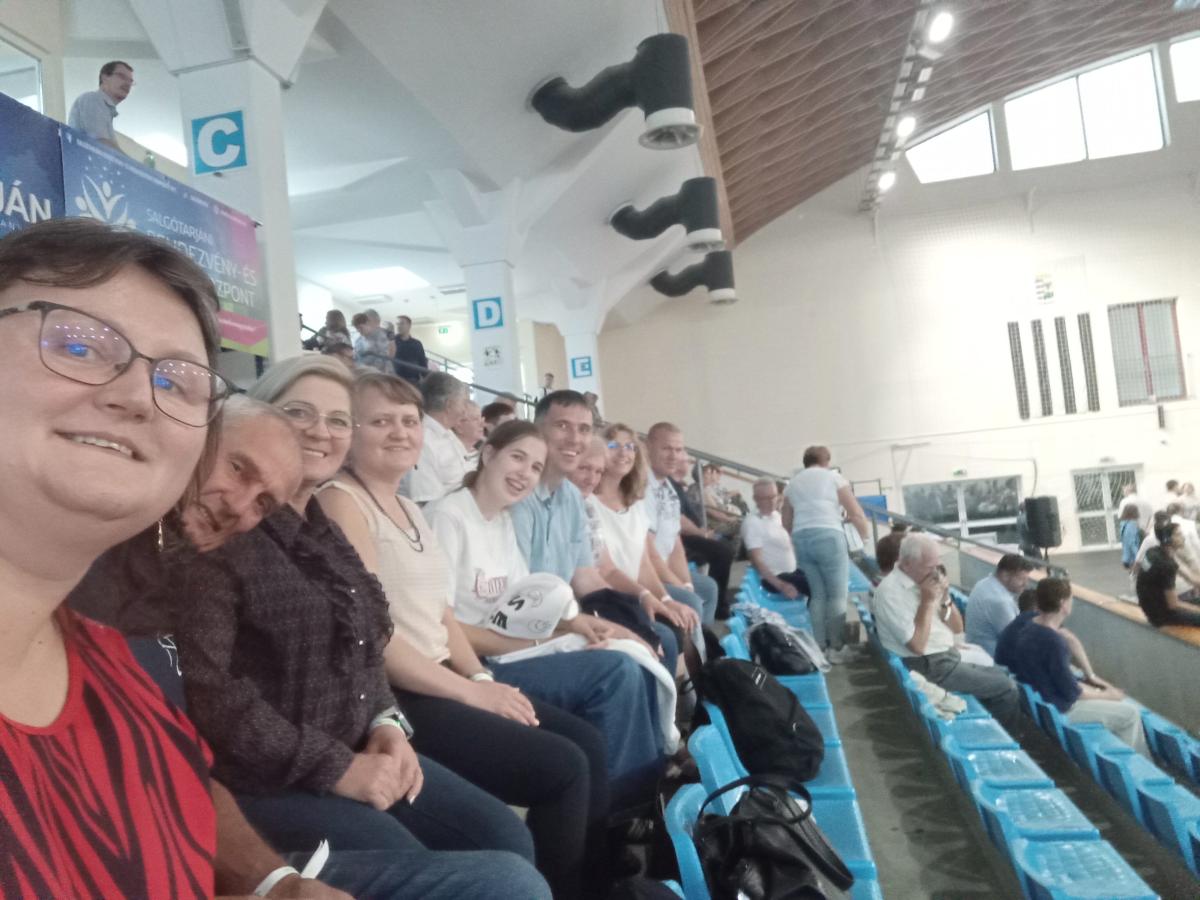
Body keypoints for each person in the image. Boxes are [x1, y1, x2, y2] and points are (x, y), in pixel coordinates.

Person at [0, 219, 546, 900]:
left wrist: (277, 878)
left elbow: (361, 634)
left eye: (175, 382)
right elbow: (220, 702)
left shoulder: (117, 655)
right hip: (285, 773)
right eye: (78, 345)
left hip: (344, 749)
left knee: (512, 852)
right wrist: (332, 774)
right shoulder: (177, 570)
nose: (135, 396)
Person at [66, 393, 552, 899]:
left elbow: (366, 636)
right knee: (499, 870)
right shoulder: (173, 558)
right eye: (238, 467)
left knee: (508, 842)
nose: (239, 504)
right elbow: (207, 709)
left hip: (342, 744)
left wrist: (386, 721)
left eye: (263, 501)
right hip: (267, 775)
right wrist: (278, 875)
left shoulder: (305, 530)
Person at [317, 373, 609, 898]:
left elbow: (442, 615)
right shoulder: (342, 501)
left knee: (585, 742)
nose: (400, 432)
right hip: (400, 693)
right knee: (562, 769)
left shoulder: (410, 509)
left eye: (410, 421)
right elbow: (373, 637)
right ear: (350, 431)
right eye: (381, 421)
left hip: (443, 675)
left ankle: (596, 876)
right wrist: (470, 692)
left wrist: (479, 678)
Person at [430, 417, 666, 813]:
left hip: (512, 650)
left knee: (628, 652)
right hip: (476, 665)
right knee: (614, 672)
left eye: (535, 466)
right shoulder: (449, 516)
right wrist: (547, 638)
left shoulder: (502, 520)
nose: (525, 473)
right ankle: (626, 809)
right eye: (517, 458)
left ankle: (640, 796)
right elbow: (444, 625)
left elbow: (525, 602)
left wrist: (576, 624)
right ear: (488, 454)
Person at [581, 428, 701, 672]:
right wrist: (646, 597)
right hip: (612, 592)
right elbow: (606, 571)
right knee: (669, 633)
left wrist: (666, 599)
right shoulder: (587, 502)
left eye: (630, 447)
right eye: (614, 445)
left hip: (634, 588)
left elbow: (645, 563)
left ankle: (694, 683)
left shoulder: (635, 503)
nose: (623, 452)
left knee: (685, 612)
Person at [872, 534, 1021, 730]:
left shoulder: (922, 582)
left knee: (1002, 674)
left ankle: (988, 725)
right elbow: (917, 646)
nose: (935, 572)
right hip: (928, 665)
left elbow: (957, 628)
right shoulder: (890, 592)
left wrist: (944, 598)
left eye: (937, 565)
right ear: (907, 564)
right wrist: (927, 602)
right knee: (1007, 688)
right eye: (929, 567)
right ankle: (997, 735)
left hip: (946, 655)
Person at [1006, 579, 1148, 755]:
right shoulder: (1053, 642)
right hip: (1062, 709)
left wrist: (1096, 688)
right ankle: (1141, 764)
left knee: (1114, 703)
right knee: (1130, 713)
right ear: (1063, 604)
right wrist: (1108, 695)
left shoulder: (1028, 629)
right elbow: (1073, 693)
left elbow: (1061, 679)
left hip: (1047, 703)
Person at [782, 445, 870, 662]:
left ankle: (819, 647)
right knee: (837, 596)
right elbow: (856, 513)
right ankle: (837, 648)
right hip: (829, 536)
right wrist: (865, 538)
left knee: (817, 595)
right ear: (826, 462)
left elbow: (786, 522)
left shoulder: (792, 484)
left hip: (802, 538)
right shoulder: (834, 478)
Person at [642, 423, 723, 623]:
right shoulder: (642, 488)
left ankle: (703, 638)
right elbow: (649, 554)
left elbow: (675, 544)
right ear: (648, 447)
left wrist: (687, 583)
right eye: (666, 448)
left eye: (678, 450)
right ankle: (694, 643)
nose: (673, 456)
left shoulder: (669, 488)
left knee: (708, 588)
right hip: (647, 573)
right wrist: (680, 586)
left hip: (665, 568)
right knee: (691, 600)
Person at [407, 372, 472, 503]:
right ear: (449, 405)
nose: (465, 410)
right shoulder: (422, 441)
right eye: (464, 403)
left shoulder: (448, 433)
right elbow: (427, 502)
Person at [741, 478, 810, 598]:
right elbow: (757, 561)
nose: (772, 501)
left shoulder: (777, 516)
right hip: (775, 578)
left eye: (774, 496)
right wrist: (781, 585)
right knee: (819, 588)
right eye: (766, 498)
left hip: (792, 572)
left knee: (823, 579)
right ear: (756, 499)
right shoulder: (752, 523)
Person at [963, 554, 1036, 657]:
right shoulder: (1000, 601)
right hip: (991, 658)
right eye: (1021, 579)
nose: (1026, 584)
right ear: (1005, 575)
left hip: (976, 648)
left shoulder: (983, 583)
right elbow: (1018, 640)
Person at [1136, 516, 1200, 628]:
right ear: (1168, 539)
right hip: (1161, 616)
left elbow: (1190, 578)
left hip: (1154, 606)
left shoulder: (1155, 552)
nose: (1183, 537)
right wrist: (1196, 609)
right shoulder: (1165, 565)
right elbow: (1173, 605)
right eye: (1178, 534)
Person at [67, 60, 133, 150]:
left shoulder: (105, 109)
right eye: (121, 76)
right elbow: (100, 143)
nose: (128, 84)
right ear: (104, 78)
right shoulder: (92, 99)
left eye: (130, 81)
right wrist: (127, 159)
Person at [392, 315, 429, 384]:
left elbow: (422, 362)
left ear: (409, 326)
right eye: (398, 324)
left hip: (413, 380)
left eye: (402, 323)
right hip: (396, 380)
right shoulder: (393, 342)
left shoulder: (416, 344)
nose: (399, 326)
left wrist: (426, 379)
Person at [1120, 504, 1143, 570]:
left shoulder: (1123, 524)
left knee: (1133, 574)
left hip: (1126, 556)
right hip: (1132, 558)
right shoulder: (1131, 525)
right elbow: (1132, 543)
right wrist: (1139, 556)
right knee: (1137, 574)